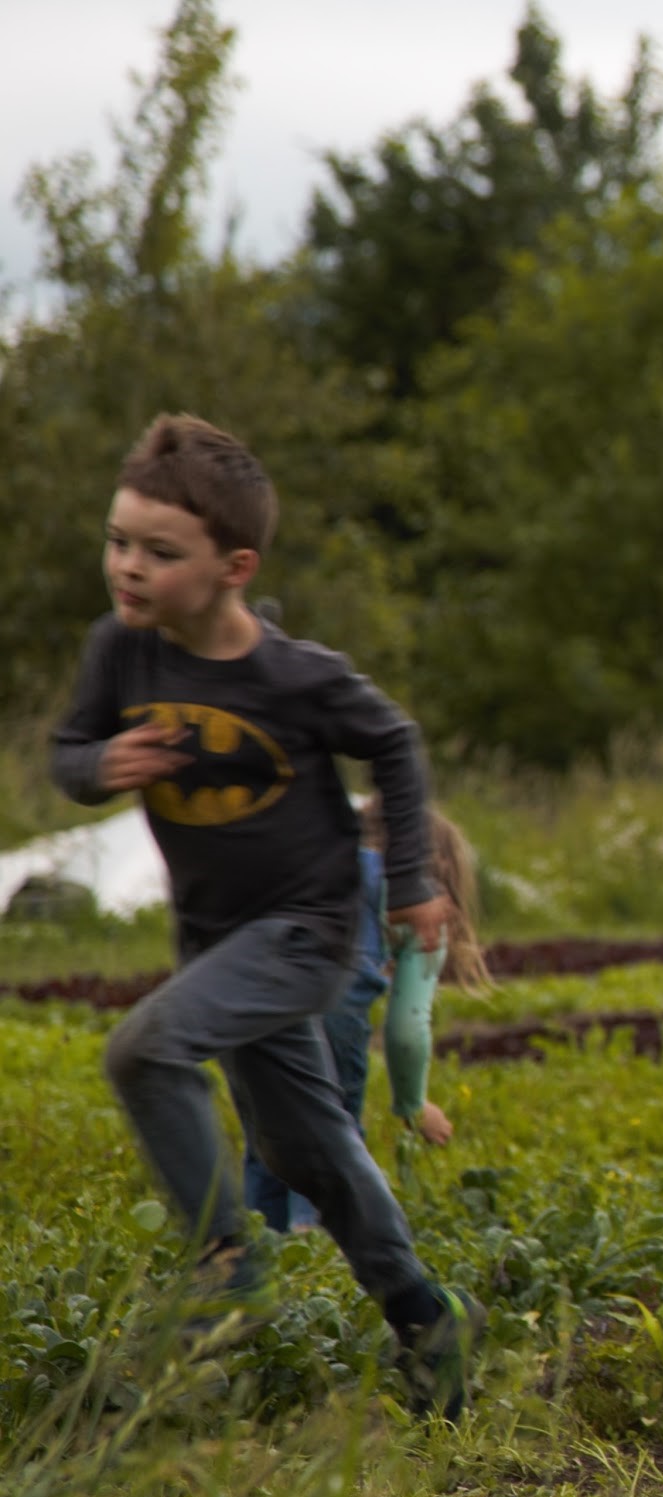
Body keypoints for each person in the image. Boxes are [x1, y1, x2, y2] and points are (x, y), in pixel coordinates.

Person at [49, 414, 482, 1418]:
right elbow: (70, 747)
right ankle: (427, 1317)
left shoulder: (296, 677)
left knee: (142, 1051)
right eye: (119, 541)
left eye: (161, 552)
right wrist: (98, 767)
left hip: (306, 929)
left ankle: (224, 1257)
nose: (129, 567)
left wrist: (411, 878)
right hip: (213, 932)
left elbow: (397, 746)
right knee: (305, 1147)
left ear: (234, 565)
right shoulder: (120, 652)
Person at [243, 804, 492, 1234]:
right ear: (445, 868)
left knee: (269, 1137)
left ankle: (256, 1250)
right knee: (328, 1131)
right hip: (333, 1010)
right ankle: (314, 1239)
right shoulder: (424, 909)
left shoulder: (318, 866)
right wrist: (413, 1104)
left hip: (251, 999)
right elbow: (406, 1033)